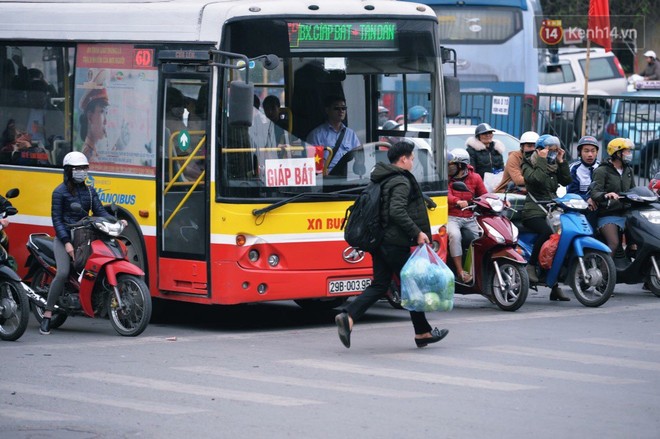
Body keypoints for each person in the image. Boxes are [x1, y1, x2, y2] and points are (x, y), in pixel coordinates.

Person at [334, 141, 449, 349]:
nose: (413, 162)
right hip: (394, 243)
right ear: (403, 159)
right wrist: (417, 232)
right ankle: (423, 332)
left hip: (380, 241)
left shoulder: (383, 178)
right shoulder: (400, 181)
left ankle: (349, 317)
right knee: (412, 285)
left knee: (380, 284)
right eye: (412, 158)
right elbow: (397, 211)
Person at [39, 151, 123, 335]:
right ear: (69, 171)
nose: (82, 172)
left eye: (84, 168)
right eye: (77, 169)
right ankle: (47, 314)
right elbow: (57, 221)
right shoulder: (59, 192)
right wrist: (67, 243)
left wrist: (116, 221)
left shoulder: (90, 191)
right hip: (65, 238)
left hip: (86, 236)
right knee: (62, 273)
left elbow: (100, 211)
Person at [521, 134, 572, 301]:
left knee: (562, 240)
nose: (551, 153)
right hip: (533, 211)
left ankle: (554, 284)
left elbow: (566, 181)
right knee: (546, 232)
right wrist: (543, 160)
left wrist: (562, 161)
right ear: (539, 150)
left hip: (551, 209)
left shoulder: (555, 164)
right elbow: (537, 179)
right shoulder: (528, 163)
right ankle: (531, 266)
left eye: (554, 150)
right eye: (549, 150)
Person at [590, 138, 636, 263]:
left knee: (642, 239)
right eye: (626, 151)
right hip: (608, 214)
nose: (629, 154)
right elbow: (594, 192)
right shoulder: (602, 171)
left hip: (626, 213)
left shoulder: (628, 170)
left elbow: (634, 190)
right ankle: (604, 275)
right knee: (614, 244)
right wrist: (606, 195)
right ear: (617, 153)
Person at [447, 148, 487, 283]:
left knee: (483, 237)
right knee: (455, 235)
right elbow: (446, 194)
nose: (448, 167)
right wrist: (457, 201)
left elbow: (484, 195)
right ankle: (460, 272)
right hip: (452, 216)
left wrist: (496, 201)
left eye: (451, 165)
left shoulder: (475, 177)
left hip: (470, 216)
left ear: (460, 165)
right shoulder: (447, 178)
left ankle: (479, 270)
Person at [306, 95, 360, 175]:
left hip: (348, 176)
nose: (341, 111)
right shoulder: (316, 135)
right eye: (337, 108)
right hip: (329, 179)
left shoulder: (350, 134)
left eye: (343, 108)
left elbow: (358, 155)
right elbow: (312, 163)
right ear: (327, 110)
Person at [567, 136, 600, 229]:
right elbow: (571, 192)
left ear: (597, 152)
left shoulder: (602, 167)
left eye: (593, 151)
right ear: (579, 152)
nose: (590, 154)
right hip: (579, 206)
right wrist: (587, 199)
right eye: (586, 151)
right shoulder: (574, 168)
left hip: (599, 205)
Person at [79, 84, 109, 162]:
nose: (106, 121)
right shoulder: (90, 156)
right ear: (90, 117)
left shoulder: (93, 150)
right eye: (102, 112)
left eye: (106, 113)